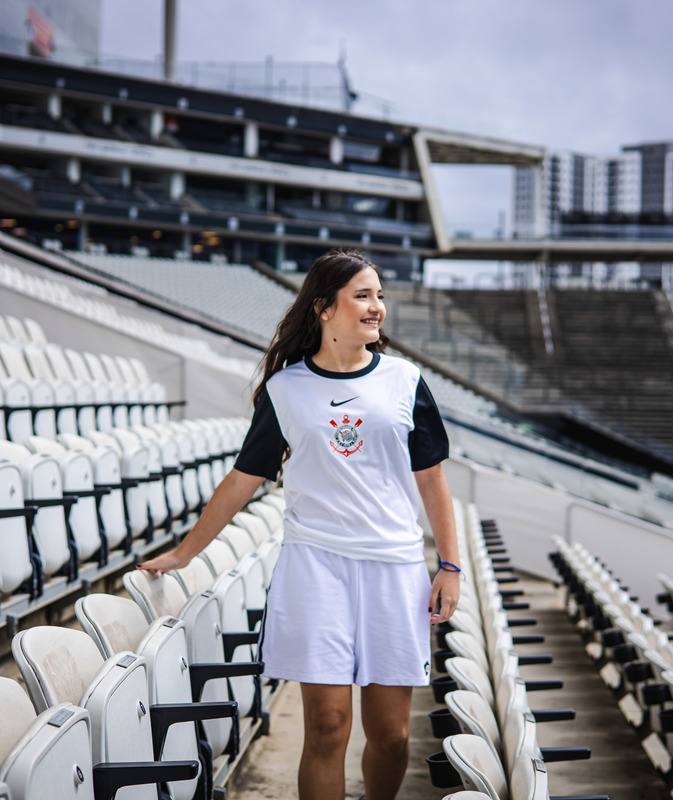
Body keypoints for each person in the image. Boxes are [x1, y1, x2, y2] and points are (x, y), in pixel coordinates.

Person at [138, 250, 461, 800]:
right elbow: (243, 479)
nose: (377, 307)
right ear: (323, 308)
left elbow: (431, 479)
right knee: (329, 727)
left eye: (379, 295)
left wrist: (449, 565)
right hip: (316, 567)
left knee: (391, 733)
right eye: (363, 295)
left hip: (394, 567)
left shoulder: (406, 381)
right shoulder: (286, 390)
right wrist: (184, 554)